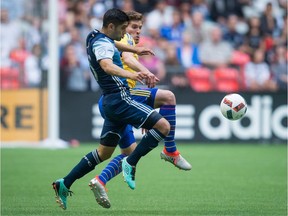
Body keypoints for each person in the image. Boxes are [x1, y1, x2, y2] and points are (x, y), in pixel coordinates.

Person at [52, 8, 170, 210]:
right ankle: (130, 162)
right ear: (111, 26)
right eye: (123, 28)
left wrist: (135, 50)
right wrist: (131, 75)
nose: (125, 33)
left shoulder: (94, 36)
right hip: (120, 98)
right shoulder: (101, 45)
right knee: (163, 127)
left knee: (103, 153)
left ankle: (65, 183)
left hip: (110, 101)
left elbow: (112, 43)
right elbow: (106, 65)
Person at [89, 11, 192, 209]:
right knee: (168, 98)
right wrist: (144, 71)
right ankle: (170, 151)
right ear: (123, 26)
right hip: (123, 97)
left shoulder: (120, 40)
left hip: (123, 98)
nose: (137, 32)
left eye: (140, 29)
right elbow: (127, 58)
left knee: (127, 152)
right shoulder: (122, 38)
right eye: (133, 27)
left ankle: (99, 181)